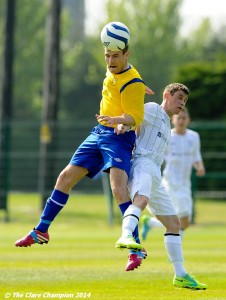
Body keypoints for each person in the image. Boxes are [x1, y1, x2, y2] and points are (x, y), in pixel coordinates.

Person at [15, 22, 154, 267]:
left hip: (118, 137)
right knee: (65, 177)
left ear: (126, 54)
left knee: (118, 190)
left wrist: (120, 118)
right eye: (107, 55)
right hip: (99, 132)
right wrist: (134, 93)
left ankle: (136, 248)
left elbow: (136, 117)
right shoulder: (116, 72)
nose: (110, 60)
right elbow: (121, 90)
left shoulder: (132, 81)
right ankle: (41, 230)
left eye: (114, 56)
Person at [115, 83, 207, 289]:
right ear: (167, 95)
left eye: (185, 100)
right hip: (142, 164)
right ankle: (126, 234)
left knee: (175, 224)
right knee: (141, 199)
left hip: (155, 172)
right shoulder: (152, 109)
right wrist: (123, 125)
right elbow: (132, 117)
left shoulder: (166, 122)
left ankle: (180, 275)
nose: (182, 103)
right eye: (179, 98)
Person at [141, 108, 205, 241]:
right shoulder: (167, 135)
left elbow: (196, 156)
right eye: (179, 117)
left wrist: (199, 166)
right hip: (170, 182)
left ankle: (150, 223)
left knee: (185, 222)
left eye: (184, 118)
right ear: (173, 119)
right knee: (179, 219)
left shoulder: (194, 137)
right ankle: (176, 251)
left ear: (189, 120)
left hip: (185, 184)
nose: (181, 120)